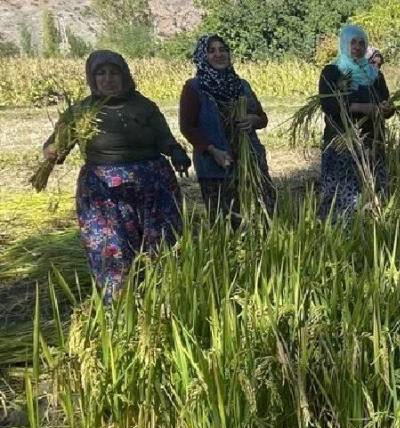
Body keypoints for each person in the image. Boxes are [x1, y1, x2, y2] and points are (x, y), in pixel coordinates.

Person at [42, 50, 190, 302]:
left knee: (161, 243)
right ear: (92, 77)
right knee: (113, 247)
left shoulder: (144, 106)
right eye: (101, 73)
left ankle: (165, 296)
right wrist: (52, 152)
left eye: (114, 72)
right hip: (103, 190)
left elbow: (165, 138)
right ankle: (121, 303)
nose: (108, 79)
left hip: (154, 186)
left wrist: (177, 153)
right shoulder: (81, 113)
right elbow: (54, 148)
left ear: (125, 75)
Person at [179, 34, 272, 227]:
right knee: (226, 220)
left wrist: (254, 120)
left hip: (250, 161)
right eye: (211, 51)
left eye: (223, 49)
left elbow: (262, 118)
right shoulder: (194, 87)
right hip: (215, 164)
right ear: (202, 56)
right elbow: (187, 127)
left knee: (262, 214)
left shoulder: (241, 85)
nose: (219, 54)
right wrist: (213, 151)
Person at [317, 24, 395, 220]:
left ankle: (372, 229)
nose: (358, 47)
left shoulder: (375, 74)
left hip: (372, 140)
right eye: (353, 42)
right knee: (343, 195)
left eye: (362, 43)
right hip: (342, 141)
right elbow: (329, 105)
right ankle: (338, 232)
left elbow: (385, 101)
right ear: (344, 44)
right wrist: (362, 108)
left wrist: (387, 109)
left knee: (373, 189)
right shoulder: (332, 71)